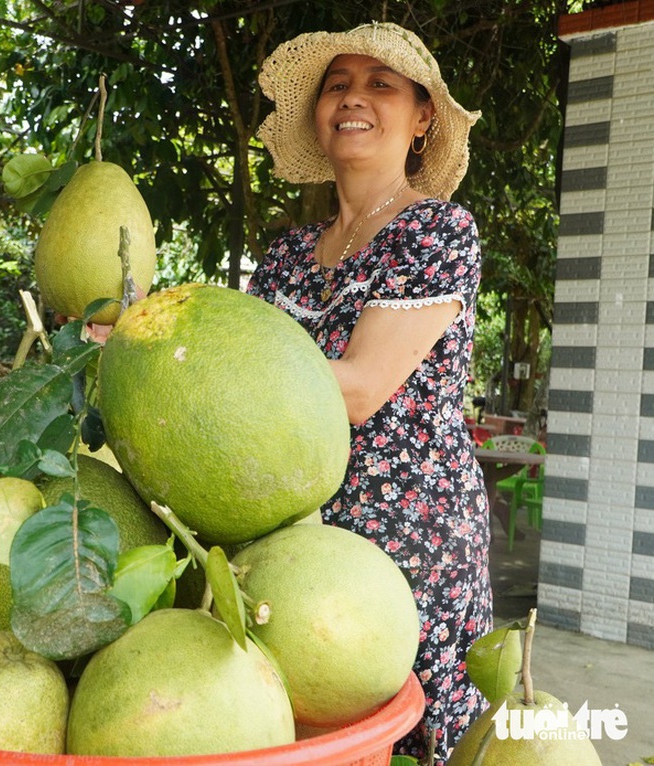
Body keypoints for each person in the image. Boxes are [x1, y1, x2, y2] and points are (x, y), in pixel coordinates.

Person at [247, 22, 488, 764]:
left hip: (411, 543)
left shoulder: (437, 232)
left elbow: (356, 392)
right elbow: (234, 403)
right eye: (337, 85)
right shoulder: (285, 256)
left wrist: (195, 345)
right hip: (298, 546)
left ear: (421, 119)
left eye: (380, 84)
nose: (354, 98)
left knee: (419, 734)